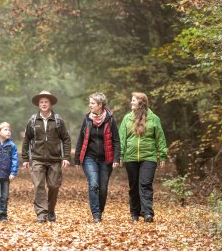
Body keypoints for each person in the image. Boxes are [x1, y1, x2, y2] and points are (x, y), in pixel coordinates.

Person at [22, 90, 72, 223]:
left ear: (50, 103)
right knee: (38, 185)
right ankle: (41, 214)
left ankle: (50, 210)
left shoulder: (58, 120)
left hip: (55, 159)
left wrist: (66, 157)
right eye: (41, 102)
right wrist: (25, 158)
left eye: (46, 102)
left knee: (54, 186)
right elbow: (26, 140)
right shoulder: (33, 120)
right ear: (38, 104)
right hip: (37, 159)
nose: (44, 104)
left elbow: (66, 139)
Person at [118, 92, 168, 223]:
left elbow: (160, 138)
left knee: (145, 184)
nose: (131, 102)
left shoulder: (154, 118)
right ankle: (134, 212)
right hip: (131, 157)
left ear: (141, 102)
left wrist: (162, 155)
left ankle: (147, 213)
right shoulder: (127, 119)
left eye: (133, 100)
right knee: (134, 186)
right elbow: (121, 138)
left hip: (149, 157)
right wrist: (120, 155)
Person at [74, 92, 120, 222]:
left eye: (92, 103)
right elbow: (81, 139)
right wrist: (77, 158)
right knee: (94, 184)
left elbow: (116, 140)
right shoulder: (87, 119)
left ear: (100, 105)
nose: (90, 105)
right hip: (90, 158)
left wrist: (116, 158)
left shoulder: (110, 119)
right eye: (90, 103)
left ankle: (100, 211)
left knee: (103, 187)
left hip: (106, 159)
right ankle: (96, 214)